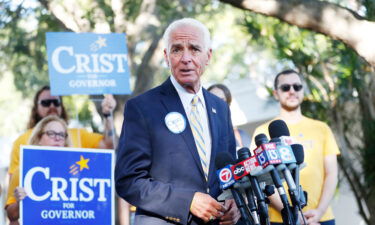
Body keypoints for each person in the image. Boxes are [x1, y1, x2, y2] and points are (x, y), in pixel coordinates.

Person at [115, 18, 240, 225]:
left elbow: (229, 173)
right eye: (177, 50)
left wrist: (234, 203)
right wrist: (187, 201)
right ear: (166, 56)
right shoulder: (142, 107)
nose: (186, 58)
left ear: (208, 56)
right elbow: (129, 180)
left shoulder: (220, 108)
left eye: (194, 49)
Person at [250, 69, 340, 225]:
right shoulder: (262, 132)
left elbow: (331, 174)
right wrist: (292, 213)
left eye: (297, 86)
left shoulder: (321, 128)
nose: (292, 91)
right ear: (276, 93)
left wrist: (319, 212)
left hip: (320, 218)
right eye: (285, 87)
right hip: (280, 219)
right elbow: (261, 180)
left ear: (302, 91)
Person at [8, 85, 117, 177]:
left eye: (56, 102)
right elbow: (13, 189)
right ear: (36, 108)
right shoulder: (21, 141)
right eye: (46, 102)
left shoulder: (79, 134)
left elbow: (109, 145)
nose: (52, 106)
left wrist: (108, 114)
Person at [5, 115, 72, 225]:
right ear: (39, 138)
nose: (57, 138)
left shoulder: (74, 173)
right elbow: (12, 217)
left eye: (61, 135)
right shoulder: (22, 171)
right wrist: (19, 202)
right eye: (51, 133)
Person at [207, 84, 251, 149]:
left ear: (228, 104)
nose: (216, 104)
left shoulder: (240, 136)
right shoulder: (202, 135)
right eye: (212, 100)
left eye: (221, 100)